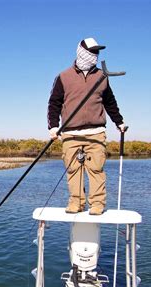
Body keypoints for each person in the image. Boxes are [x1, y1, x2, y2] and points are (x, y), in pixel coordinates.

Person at [47, 38, 126, 215]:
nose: (95, 56)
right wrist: (53, 127)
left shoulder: (101, 77)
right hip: (70, 133)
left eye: (97, 52)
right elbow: (54, 103)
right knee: (73, 169)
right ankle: (76, 203)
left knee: (96, 169)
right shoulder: (63, 77)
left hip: (96, 133)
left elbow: (110, 102)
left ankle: (97, 204)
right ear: (81, 52)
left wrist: (119, 122)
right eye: (92, 51)